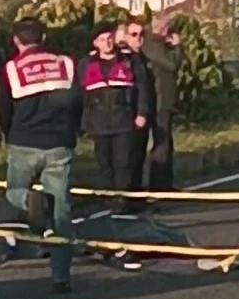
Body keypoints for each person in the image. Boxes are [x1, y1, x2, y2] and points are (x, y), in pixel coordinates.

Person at [0, 17, 81, 294]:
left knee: (14, 190)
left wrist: (8, 133)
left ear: (16, 41)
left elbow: (3, 108)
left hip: (24, 142)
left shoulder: (11, 69)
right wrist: (72, 132)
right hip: (59, 144)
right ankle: (61, 276)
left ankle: (30, 201)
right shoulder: (66, 64)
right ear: (44, 37)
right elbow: (77, 103)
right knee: (61, 213)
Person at [77, 21, 150, 208]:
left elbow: (142, 88)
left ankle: (122, 200)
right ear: (95, 43)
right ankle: (108, 199)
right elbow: (80, 94)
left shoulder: (129, 61)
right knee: (104, 163)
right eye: (102, 40)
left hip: (123, 119)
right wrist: (81, 121)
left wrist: (142, 113)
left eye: (109, 38)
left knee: (123, 162)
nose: (107, 43)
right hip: (98, 121)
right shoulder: (86, 64)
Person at [141, 15, 183, 191]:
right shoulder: (151, 44)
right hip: (158, 99)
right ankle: (158, 184)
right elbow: (171, 64)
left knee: (166, 142)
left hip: (163, 98)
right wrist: (177, 47)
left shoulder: (158, 44)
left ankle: (165, 182)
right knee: (161, 141)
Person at [119, 18, 156, 198]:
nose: (138, 38)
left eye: (142, 34)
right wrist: (138, 112)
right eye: (134, 34)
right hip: (128, 114)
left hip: (141, 113)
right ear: (125, 36)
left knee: (139, 156)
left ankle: (137, 194)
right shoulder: (124, 59)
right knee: (129, 157)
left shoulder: (141, 58)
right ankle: (128, 195)